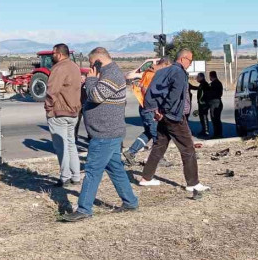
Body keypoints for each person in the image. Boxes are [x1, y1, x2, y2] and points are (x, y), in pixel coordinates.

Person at [61, 47, 139, 222]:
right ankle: (130, 202)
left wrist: (89, 80)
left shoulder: (112, 74)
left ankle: (84, 209)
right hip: (107, 132)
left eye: (91, 64)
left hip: (105, 133)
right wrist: (89, 81)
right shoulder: (106, 74)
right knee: (115, 169)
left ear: (98, 61)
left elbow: (96, 96)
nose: (90, 68)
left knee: (92, 171)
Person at [140, 49, 210, 199]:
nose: (190, 64)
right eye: (190, 61)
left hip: (163, 115)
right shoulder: (179, 73)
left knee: (159, 145)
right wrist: (165, 110)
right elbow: (174, 95)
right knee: (187, 148)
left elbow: (152, 92)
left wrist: (155, 110)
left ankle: (146, 178)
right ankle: (193, 183)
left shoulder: (162, 71)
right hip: (174, 116)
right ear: (183, 59)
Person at [45, 43, 82, 186]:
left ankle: (65, 177)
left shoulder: (58, 68)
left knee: (62, 146)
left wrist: (48, 109)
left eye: (53, 53)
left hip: (59, 112)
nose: (51, 56)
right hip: (74, 112)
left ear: (59, 54)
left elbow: (51, 91)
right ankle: (76, 176)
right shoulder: (74, 67)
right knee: (71, 144)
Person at [123, 58, 171, 165]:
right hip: (150, 108)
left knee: (149, 132)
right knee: (156, 134)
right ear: (165, 64)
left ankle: (131, 152)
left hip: (145, 107)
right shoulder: (153, 75)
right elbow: (149, 92)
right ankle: (158, 158)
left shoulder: (149, 72)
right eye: (168, 67)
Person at [190, 72, 210, 137]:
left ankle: (206, 131)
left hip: (203, 104)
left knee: (204, 117)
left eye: (198, 77)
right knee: (201, 117)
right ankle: (203, 130)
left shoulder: (204, 84)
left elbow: (205, 95)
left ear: (201, 77)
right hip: (201, 104)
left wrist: (202, 102)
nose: (196, 79)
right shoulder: (202, 84)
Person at [207, 70, 224, 139]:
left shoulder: (214, 84)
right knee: (217, 119)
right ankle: (218, 134)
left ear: (211, 76)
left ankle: (217, 134)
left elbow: (212, 94)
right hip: (218, 102)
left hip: (215, 103)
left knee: (215, 119)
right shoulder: (218, 83)